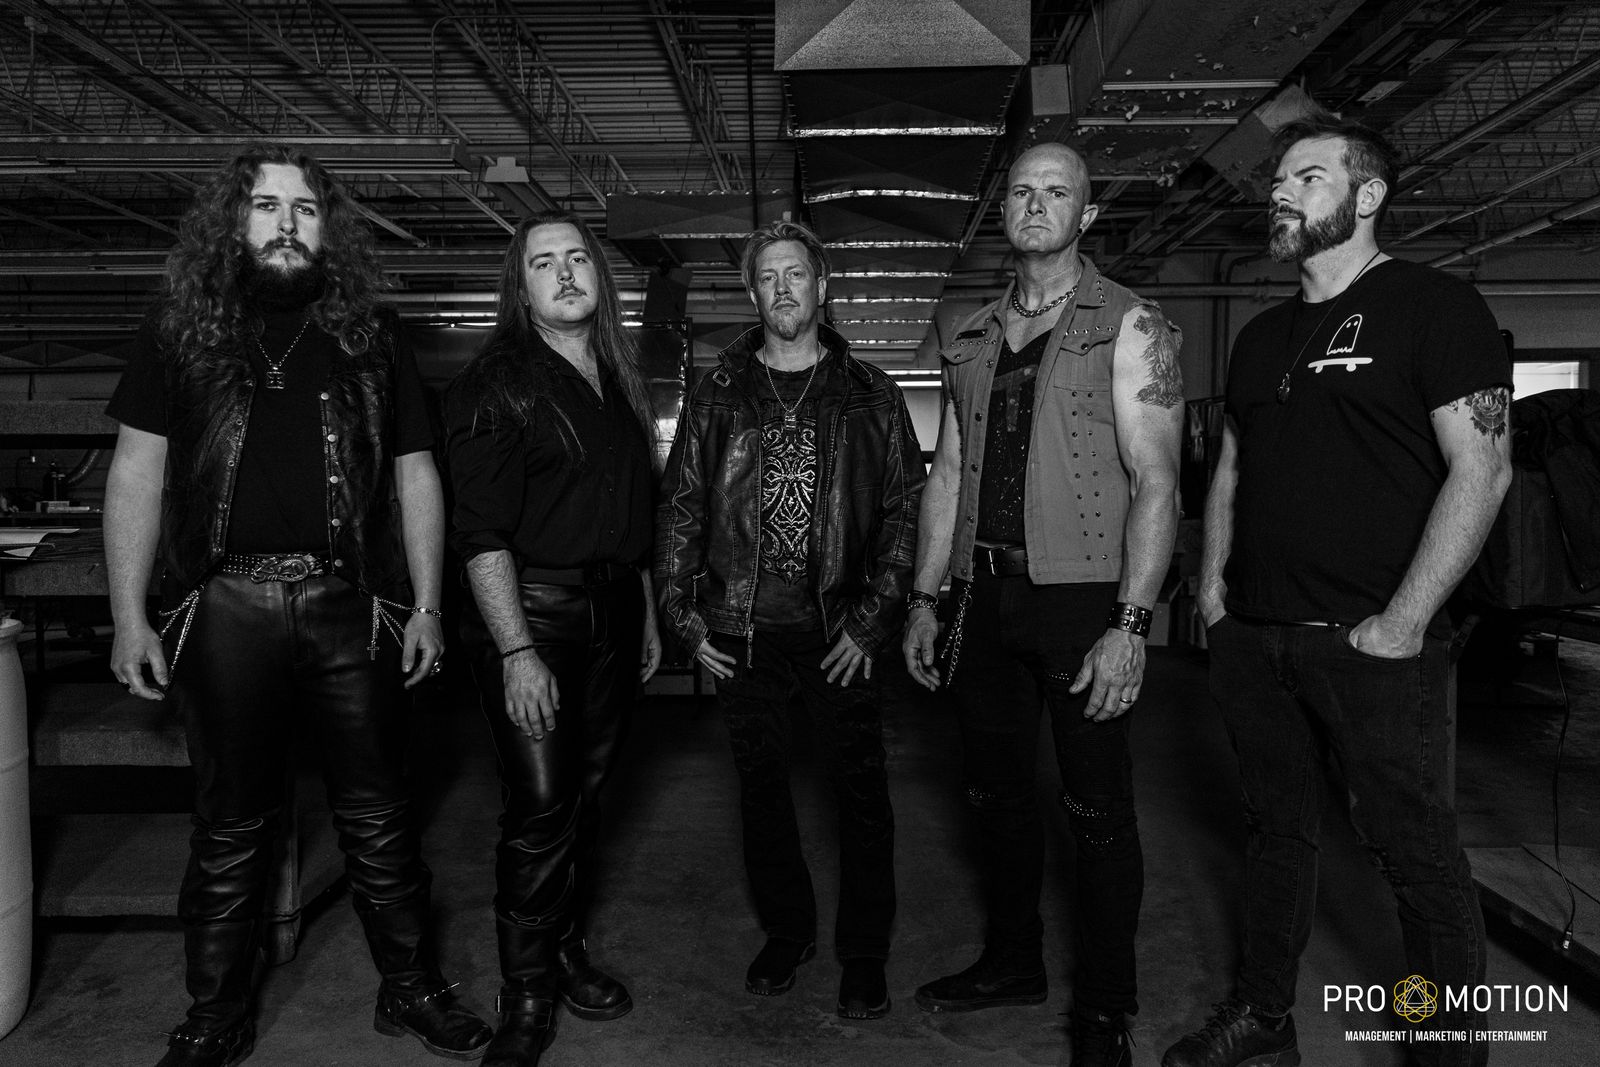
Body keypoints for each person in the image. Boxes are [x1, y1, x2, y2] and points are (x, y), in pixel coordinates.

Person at [104, 144, 490, 1067]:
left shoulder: (371, 333)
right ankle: (214, 1014)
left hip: (350, 602)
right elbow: (136, 472)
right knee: (230, 825)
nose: (286, 223)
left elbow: (416, 471)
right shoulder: (180, 329)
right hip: (223, 605)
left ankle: (411, 988)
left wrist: (427, 603)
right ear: (233, 223)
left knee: (379, 815)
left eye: (305, 209)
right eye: (267, 206)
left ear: (328, 229)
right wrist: (128, 614)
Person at [1162, 114, 1511, 1067]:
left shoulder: (1436, 308)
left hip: (1372, 645)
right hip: (1256, 636)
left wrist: (1404, 621)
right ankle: (1265, 1018)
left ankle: (1447, 1055)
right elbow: (1230, 469)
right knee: (1275, 835)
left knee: (1415, 858)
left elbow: (1483, 469)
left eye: (1306, 176)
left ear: (1367, 196)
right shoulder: (1260, 336)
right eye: (1277, 179)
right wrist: (1214, 591)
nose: (1280, 191)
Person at [901, 141, 1184, 1066]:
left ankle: (1104, 1011)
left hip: (1082, 598)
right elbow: (948, 474)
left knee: (1096, 810)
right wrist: (925, 595)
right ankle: (1013, 960)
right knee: (995, 795)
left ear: (1085, 215)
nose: (1035, 204)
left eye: (1056, 192)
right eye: (1021, 191)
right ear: (1004, 212)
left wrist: (1131, 624)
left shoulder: (1131, 325)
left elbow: (1157, 479)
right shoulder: (973, 334)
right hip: (982, 594)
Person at [656, 219, 924, 1021]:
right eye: (768, 276)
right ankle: (787, 930)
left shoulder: (871, 392)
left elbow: (905, 512)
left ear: (821, 285)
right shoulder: (718, 389)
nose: (782, 287)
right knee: (762, 790)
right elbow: (682, 504)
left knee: (861, 793)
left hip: (840, 629)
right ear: (752, 291)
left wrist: (872, 622)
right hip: (742, 631)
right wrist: (683, 615)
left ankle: (864, 950)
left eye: (796, 273)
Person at [444, 210, 661, 1067]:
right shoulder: (496, 381)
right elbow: (480, 534)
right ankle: (526, 990)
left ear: (599, 276)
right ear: (520, 285)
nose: (566, 273)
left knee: (586, 795)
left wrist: (643, 610)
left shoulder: (617, 375)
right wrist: (517, 650)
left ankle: (565, 948)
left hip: (614, 608)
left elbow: (633, 512)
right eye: (544, 262)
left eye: (578, 258)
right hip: (534, 614)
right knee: (539, 804)